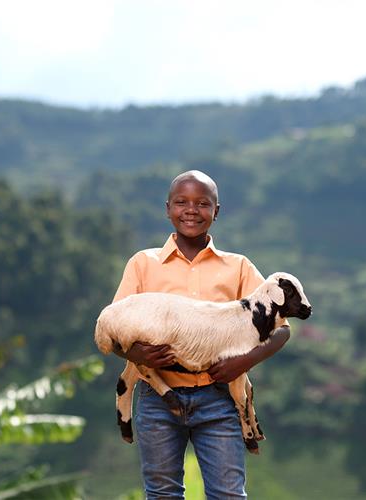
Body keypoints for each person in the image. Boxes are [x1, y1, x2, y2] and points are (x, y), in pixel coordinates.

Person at [112, 170, 290, 499]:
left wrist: (242, 362)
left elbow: (280, 331)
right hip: (157, 399)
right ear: (167, 208)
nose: (191, 210)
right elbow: (115, 328)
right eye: (181, 202)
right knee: (163, 493)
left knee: (228, 494)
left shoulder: (238, 268)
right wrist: (137, 355)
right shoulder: (143, 265)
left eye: (202, 203)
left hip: (220, 398)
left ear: (216, 211)